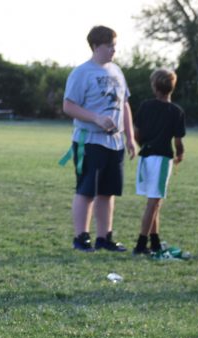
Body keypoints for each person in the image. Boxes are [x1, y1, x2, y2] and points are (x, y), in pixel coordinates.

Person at [63, 25, 136, 252]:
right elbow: (68, 105)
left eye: (114, 45)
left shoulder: (117, 71)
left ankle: (104, 238)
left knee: (108, 191)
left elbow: (124, 104)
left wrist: (130, 137)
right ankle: (81, 238)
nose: (113, 50)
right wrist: (96, 118)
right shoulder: (82, 72)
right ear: (95, 46)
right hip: (90, 141)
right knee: (87, 191)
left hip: (115, 142)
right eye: (109, 45)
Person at [132, 68, 186, 257]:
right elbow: (178, 140)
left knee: (154, 199)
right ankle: (140, 244)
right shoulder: (176, 111)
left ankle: (154, 241)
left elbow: (136, 132)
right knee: (154, 202)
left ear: (154, 86)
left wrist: (143, 145)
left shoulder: (145, 106)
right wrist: (180, 154)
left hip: (145, 157)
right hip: (162, 158)